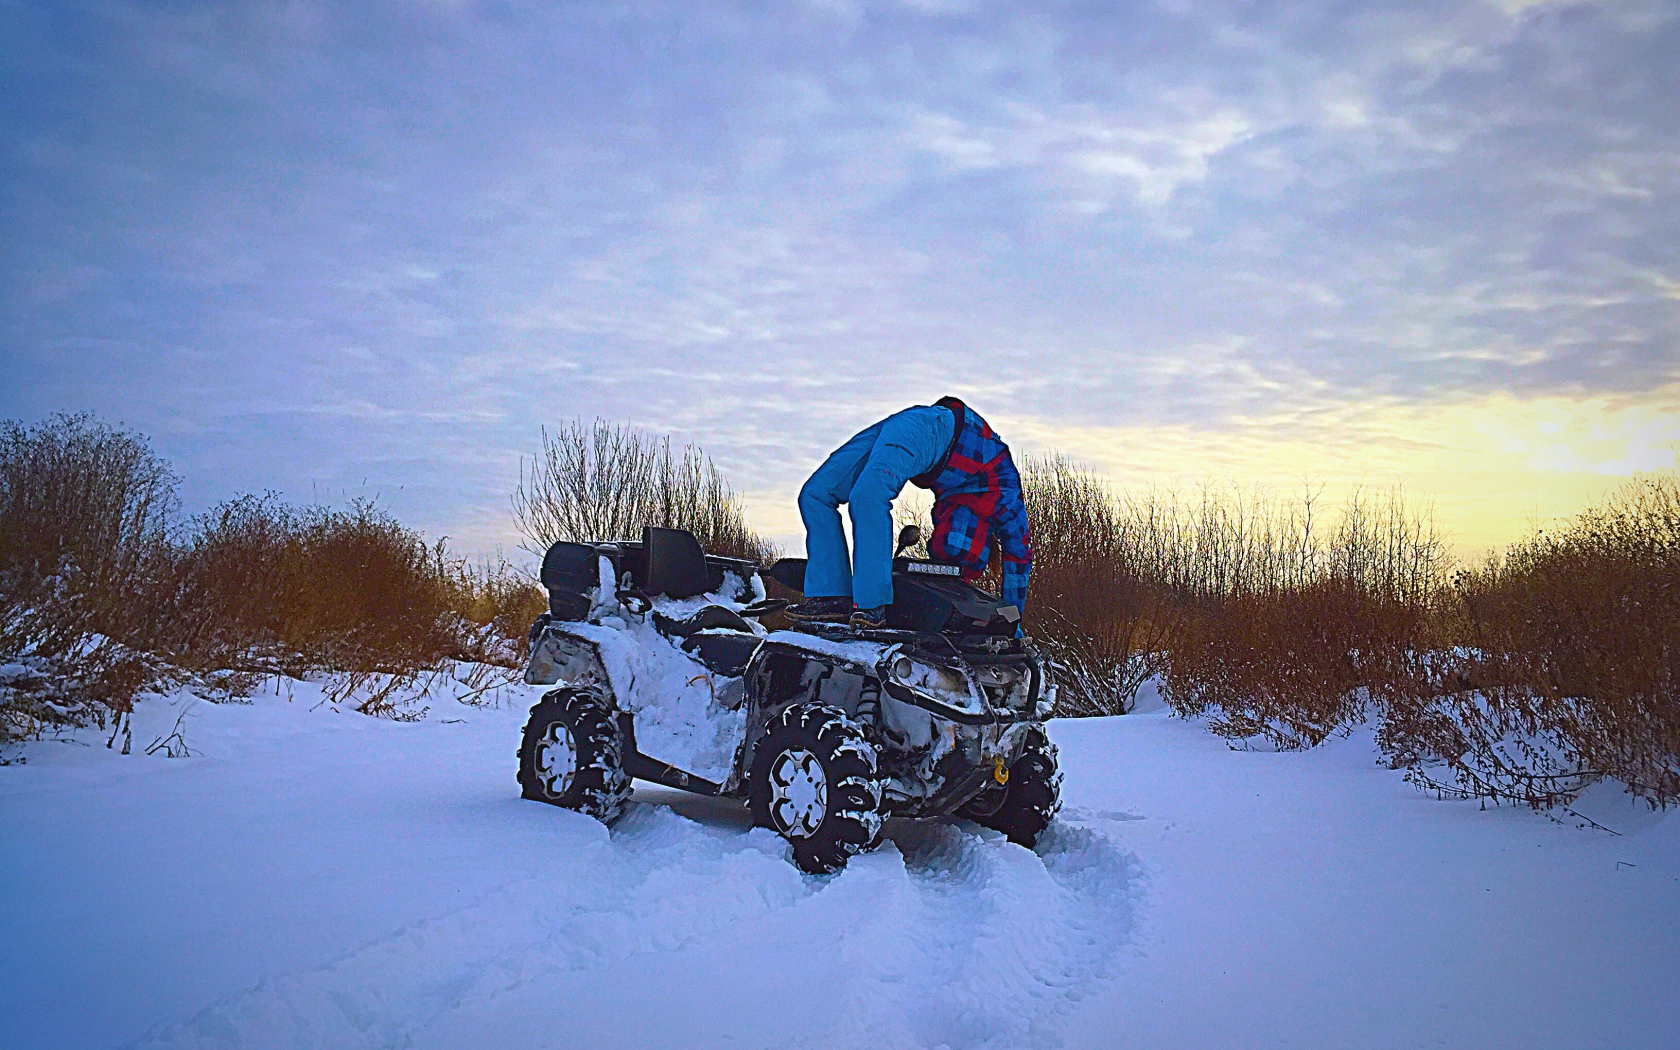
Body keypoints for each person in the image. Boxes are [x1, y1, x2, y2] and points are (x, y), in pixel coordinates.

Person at [787, 397, 1031, 628]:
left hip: (911, 425)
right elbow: (1019, 558)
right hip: (930, 428)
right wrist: (1014, 621)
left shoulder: (957, 504)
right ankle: (867, 603)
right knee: (868, 495)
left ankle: (830, 592)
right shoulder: (1007, 497)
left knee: (815, 494)